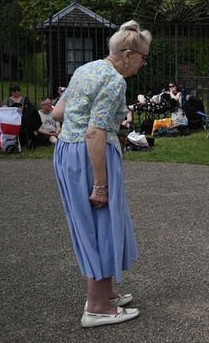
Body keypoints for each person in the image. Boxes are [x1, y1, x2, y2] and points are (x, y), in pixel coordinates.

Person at [50, 20, 150, 328]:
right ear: (129, 53)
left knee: (91, 224)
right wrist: (101, 185)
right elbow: (94, 133)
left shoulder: (87, 69)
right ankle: (96, 306)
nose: (144, 64)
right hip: (90, 154)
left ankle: (104, 295)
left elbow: (57, 113)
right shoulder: (115, 81)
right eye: (144, 57)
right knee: (101, 223)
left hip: (68, 152)